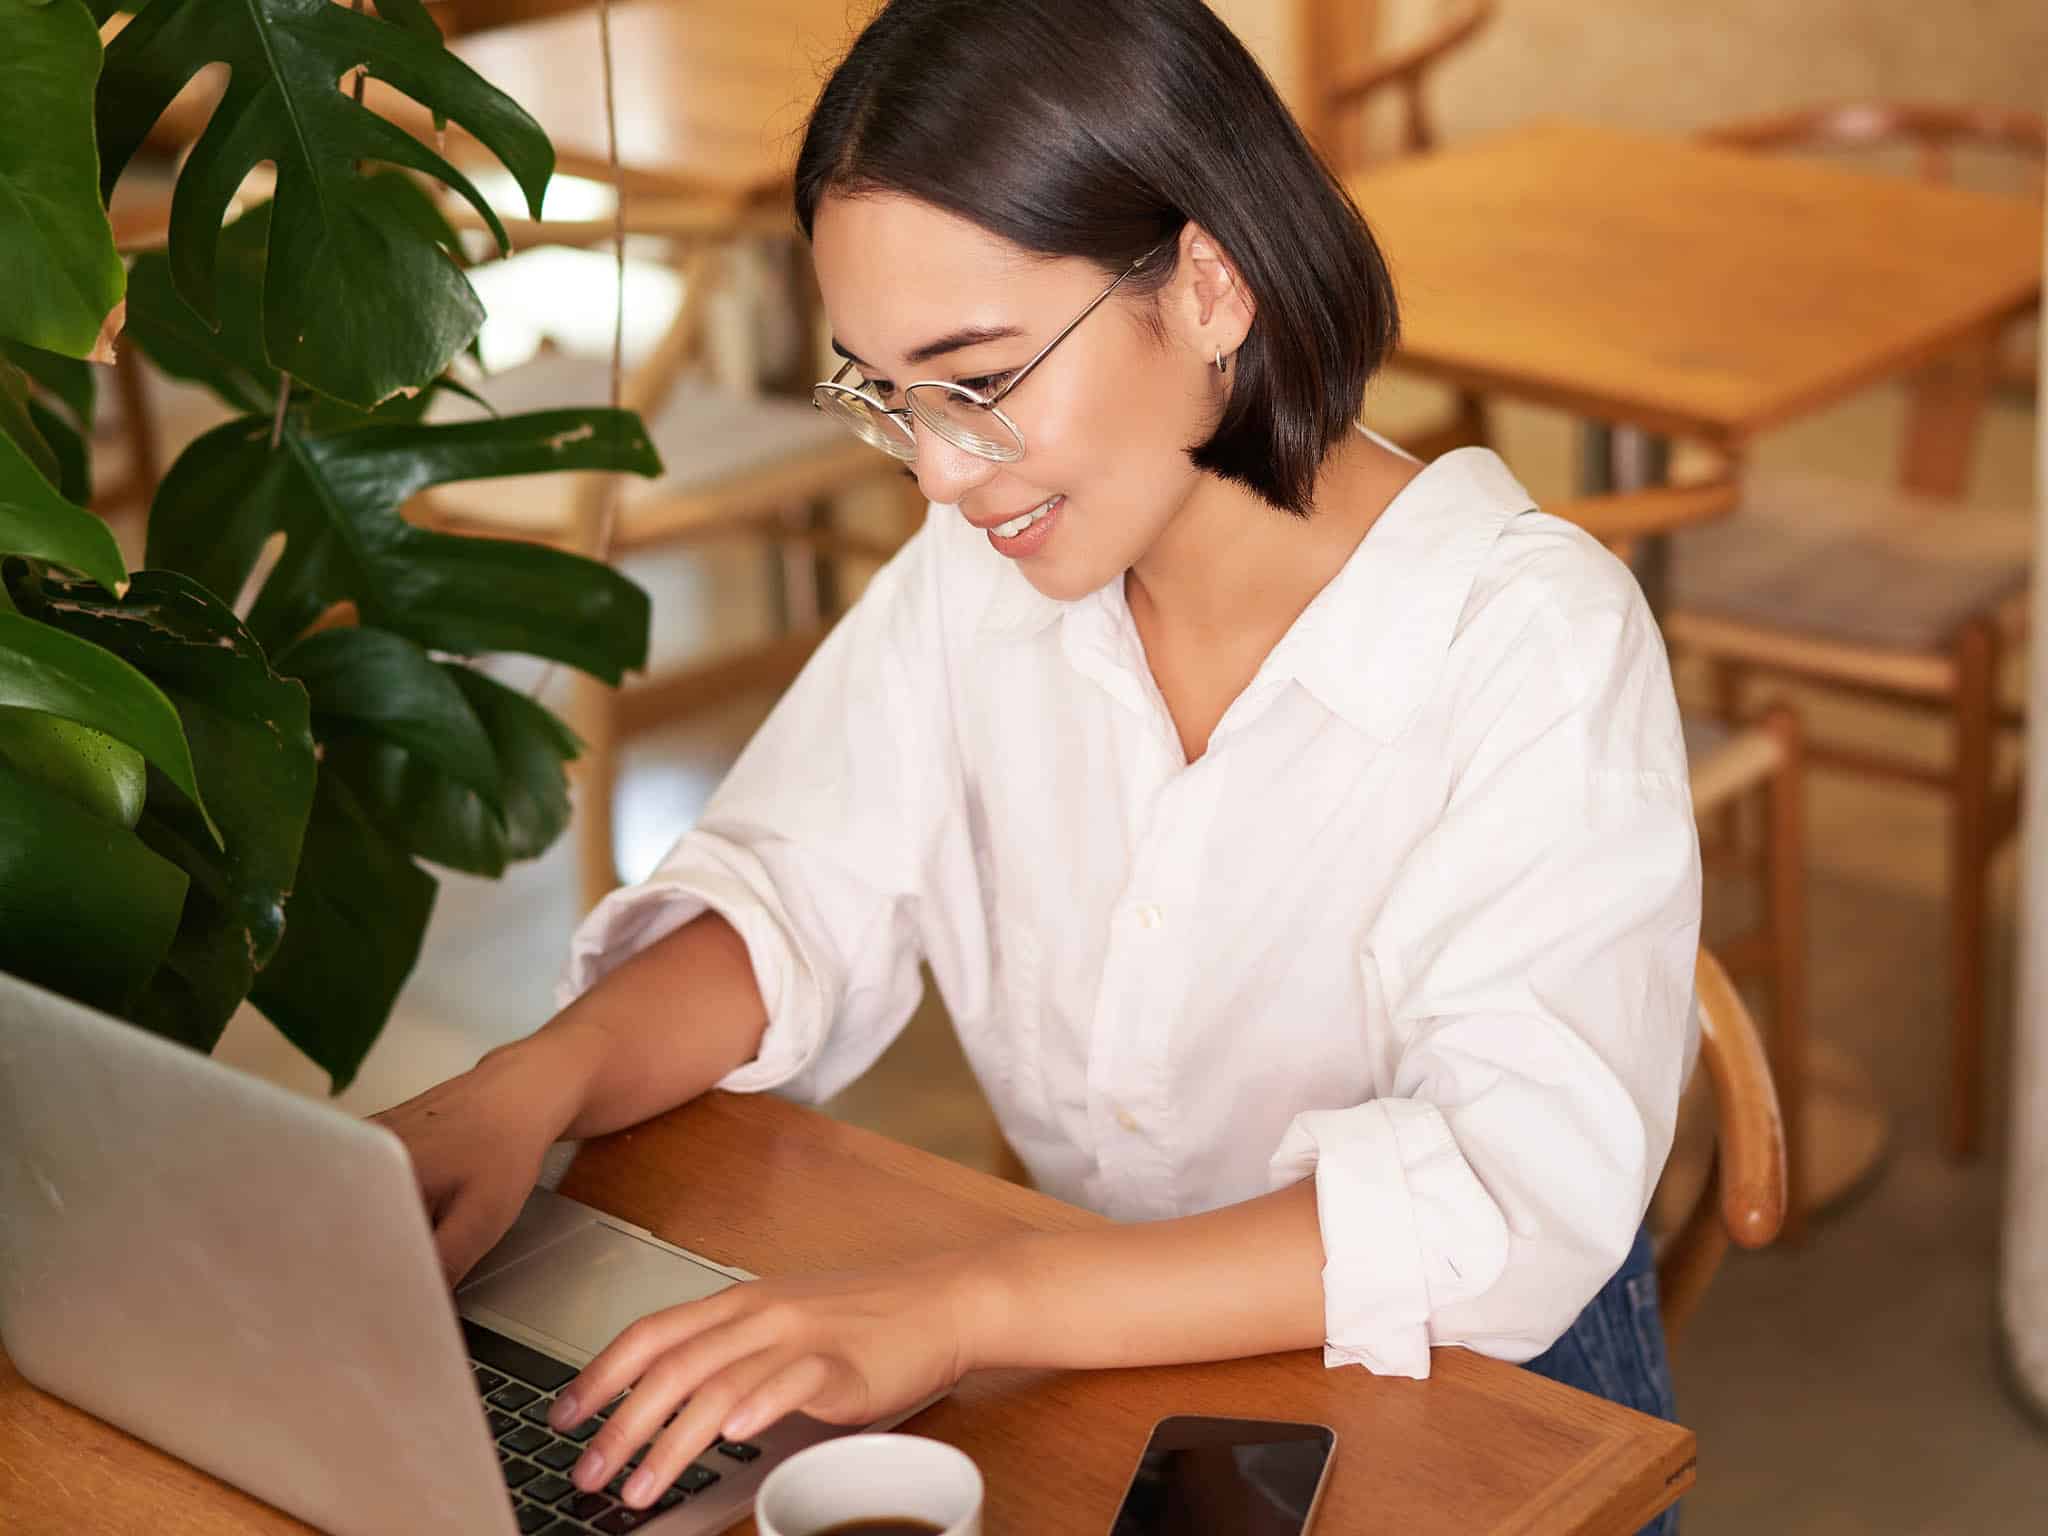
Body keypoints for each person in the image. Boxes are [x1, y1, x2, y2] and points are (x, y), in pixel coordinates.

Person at [378, 1, 1699, 1529]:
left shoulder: (1527, 643)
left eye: (982, 380)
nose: (940, 473)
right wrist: (525, 1089)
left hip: (1479, 1406)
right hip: (1122, 1355)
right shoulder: (987, 574)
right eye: (888, 394)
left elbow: (1500, 1201)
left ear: (1209, 284)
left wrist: (962, 1308)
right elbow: (797, 889)